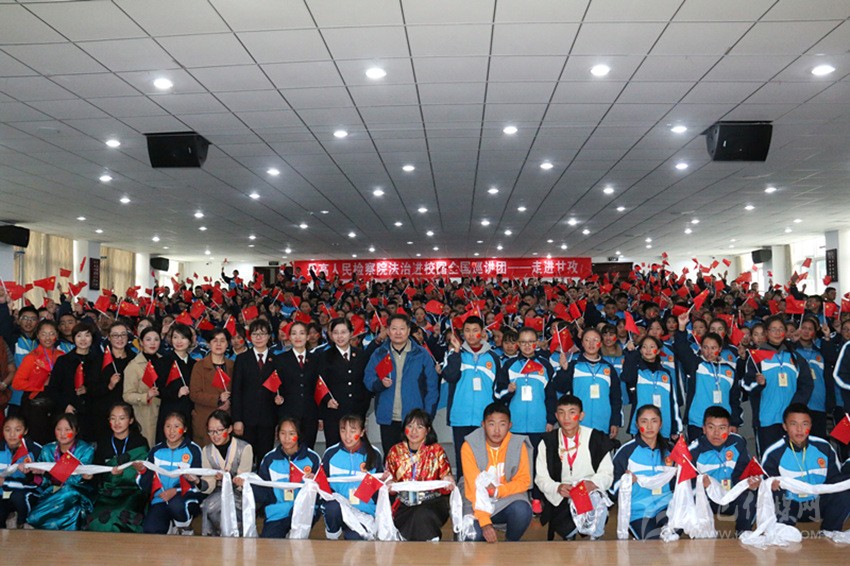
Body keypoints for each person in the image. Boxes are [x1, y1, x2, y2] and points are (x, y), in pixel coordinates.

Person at [494, 325, 559, 514]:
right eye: (523, 342)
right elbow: (497, 394)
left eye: (531, 342)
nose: (527, 345)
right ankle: (518, 497)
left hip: (539, 425)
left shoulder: (545, 366)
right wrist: (508, 390)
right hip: (515, 425)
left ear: (537, 343)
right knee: (516, 464)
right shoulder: (509, 365)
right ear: (518, 344)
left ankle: (537, 497)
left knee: (539, 463)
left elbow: (551, 397)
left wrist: (550, 420)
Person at [535, 395, 616, 540]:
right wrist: (557, 487)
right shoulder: (548, 442)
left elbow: (607, 473)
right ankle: (572, 533)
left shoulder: (596, 438)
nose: (566, 418)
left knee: (594, 504)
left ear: (581, 415)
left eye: (572, 412)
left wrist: (592, 483)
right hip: (561, 497)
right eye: (561, 413)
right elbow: (541, 478)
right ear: (556, 416)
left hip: (588, 493)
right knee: (567, 529)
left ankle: (593, 537)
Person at [762, 403, 850, 533]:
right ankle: (784, 534)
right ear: (785, 426)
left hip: (817, 503)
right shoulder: (773, 452)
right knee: (777, 498)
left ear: (810, 426)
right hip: (790, 504)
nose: (799, 429)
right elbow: (764, 485)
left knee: (844, 494)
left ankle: (829, 533)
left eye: (804, 424)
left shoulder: (824, 447)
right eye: (793, 424)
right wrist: (770, 485)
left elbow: (835, 480)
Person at [364, 315, 440, 456]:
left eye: (402, 329)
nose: (398, 333)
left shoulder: (421, 354)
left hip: (414, 421)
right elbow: (368, 379)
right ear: (388, 331)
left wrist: (427, 417)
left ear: (408, 330)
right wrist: (379, 384)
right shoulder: (380, 353)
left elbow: (432, 387)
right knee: (391, 459)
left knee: (415, 461)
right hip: (388, 418)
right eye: (394, 329)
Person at [460, 402, 533, 543]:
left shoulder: (518, 445)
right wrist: (484, 522)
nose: (497, 430)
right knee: (473, 535)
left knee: (522, 510)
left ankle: (510, 543)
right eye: (491, 424)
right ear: (483, 424)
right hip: (475, 500)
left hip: (505, 497)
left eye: (502, 424)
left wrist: (498, 491)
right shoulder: (469, 446)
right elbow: (473, 489)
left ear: (510, 425)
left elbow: (524, 481)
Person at [743, 316, 813, 456]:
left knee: (791, 458)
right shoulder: (756, 356)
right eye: (773, 329)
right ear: (766, 333)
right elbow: (746, 385)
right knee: (769, 459)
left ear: (785, 332)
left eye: (781, 329)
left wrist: (795, 407)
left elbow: (807, 385)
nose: (777, 332)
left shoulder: (795, 356)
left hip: (791, 421)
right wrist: (758, 384)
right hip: (766, 419)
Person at [443, 316, 502, 478]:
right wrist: (456, 352)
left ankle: (485, 491)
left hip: (485, 418)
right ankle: (464, 490)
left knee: (484, 460)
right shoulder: (455, 354)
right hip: (460, 417)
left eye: (475, 330)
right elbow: (449, 376)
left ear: (482, 332)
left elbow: (498, 389)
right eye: (467, 331)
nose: (470, 334)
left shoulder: (493, 357)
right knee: (463, 458)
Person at [384, 409, 454, 541]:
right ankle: (429, 540)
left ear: (427, 430)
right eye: (410, 426)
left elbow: (445, 486)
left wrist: (448, 481)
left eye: (419, 427)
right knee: (412, 515)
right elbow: (389, 482)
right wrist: (389, 484)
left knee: (421, 514)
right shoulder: (395, 451)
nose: (414, 431)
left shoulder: (436, 451)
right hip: (404, 503)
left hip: (432, 503)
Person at [688, 406, 759, 536]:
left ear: (729, 429)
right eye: (711, 427)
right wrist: (699, 484)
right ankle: (700, 538)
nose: (716, 433)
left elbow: (744, 473)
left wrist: (751, 483)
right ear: (704, 429)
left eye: (722, 428)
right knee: (692, 498)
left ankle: (743, 535)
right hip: (707, 500)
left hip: (731, 497)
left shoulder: (738, 443)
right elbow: (685, 483)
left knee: (749, 496)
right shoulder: (694, 449)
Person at [674, 311, 742, 440]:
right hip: (698, 422)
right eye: (705, 347)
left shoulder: (730, 370)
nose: (709, 351)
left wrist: (734, 422)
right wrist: (682, 327)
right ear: (701, 347)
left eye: (713, 348)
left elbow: (734, 400)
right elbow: (681, 348)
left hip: (722, 425)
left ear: (720, 349)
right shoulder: (696, 365)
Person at [610, 404, 675, 540]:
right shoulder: (626, 452)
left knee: (673, 536)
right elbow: (612, 490)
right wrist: (625, 481)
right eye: (644, 421)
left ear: (661, 424)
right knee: (653, 541)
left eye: (654, 421)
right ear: (637, 424)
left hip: (667, 508)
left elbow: (681, 483)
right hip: (638, 512)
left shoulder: (671, 450)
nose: (649, 426)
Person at [312, 318, 378, 448]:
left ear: (351, 333)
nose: (340, 336)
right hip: (333, 414)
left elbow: (365, 384)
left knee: (357, 449)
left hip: (356, 412)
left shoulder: (362, 356)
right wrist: (327, 400)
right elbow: (318, 384)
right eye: (335, 333)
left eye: (343, 332)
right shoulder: (323, 357)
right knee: (334, 449)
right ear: (331, 335)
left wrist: (363, 407)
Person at [136, 411, 203, 535]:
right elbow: (146, 486)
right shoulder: (156, 451)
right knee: (150, 530)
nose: (171, 431)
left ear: (184, 429)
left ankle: (184, 528)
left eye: (176, 426)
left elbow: (198, 481)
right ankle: (170, 526)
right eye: (168, 426)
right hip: (161, 499)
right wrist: (142, 471)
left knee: (176, 505)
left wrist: (175, 490)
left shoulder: (193, 450)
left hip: (186, 498)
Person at [26, 413, 95, 530]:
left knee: (68, 491)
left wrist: (47, 473)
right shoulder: (47, 449)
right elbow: (42, 482)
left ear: (76, 431)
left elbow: (76, 480)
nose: (62, 434)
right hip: (52, 493)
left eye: (67, 430)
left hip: (77, 491)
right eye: (59, 429)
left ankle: (34, 520)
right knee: (74, 511)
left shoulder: (85, 450)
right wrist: (31, 471)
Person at [87, 402, 150, 532]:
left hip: (132, 491)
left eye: (122, 418)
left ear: (130, 420)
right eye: (113, 418)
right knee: (96, 518)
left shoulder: (139, 442)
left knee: (117, 516)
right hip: (109, 492)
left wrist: (131, 472)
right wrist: (91, 476)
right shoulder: (104, 442)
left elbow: (146, 472)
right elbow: (98, 470)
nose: (117, 422)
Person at [255, 416, 321, 539]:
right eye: (283, 433)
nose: (286, 438)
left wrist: (315, 482)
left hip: (303, 511)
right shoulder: (270, 459)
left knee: (297, 544)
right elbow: (263, 490)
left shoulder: (312, 458)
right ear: (277, 434)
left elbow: (321, 492)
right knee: (268, 543)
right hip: (277, 512)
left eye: (291, 434)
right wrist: (247, 485)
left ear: (299, 435)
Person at [321, 413, 384, 540]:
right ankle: (333, 535)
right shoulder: (330, 454)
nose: (347, 436)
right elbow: (324, 489)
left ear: (362, 432)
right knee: (331, 507)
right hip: (340, 508)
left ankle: (356, 530)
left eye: (353, 431)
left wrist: (383, 481)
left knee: (354, 540)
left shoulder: (374, 454)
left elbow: (376, 492)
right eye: (343, 430)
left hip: (364, 512)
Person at [554, 328, 621, 438]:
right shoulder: (573, 365)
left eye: (595, 340)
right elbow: (561, 388)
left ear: (601, 343)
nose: (591, 343)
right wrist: (564, 370)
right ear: (582, 343)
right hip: (578, 424)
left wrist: (614, 422)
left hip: (603, 423)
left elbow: (616, 398)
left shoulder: (608, 368)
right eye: (587, 340)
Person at [45, 320, 102, 442]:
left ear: (92, 338)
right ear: (73, 338)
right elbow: (53, 389)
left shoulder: (99, 361)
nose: (83, 339)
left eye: (87, 335)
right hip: (68, 412)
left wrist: (88, 390)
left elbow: (102, 387)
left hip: (92, 414)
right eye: (79, 335)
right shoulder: (63, 361)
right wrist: (65, 405)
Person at [199, 410, 252, 536]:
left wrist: (228, 479)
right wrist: (196, 481)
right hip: (218, 491)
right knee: (208, 506)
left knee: (225, 507)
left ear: (229, 429)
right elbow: (209, 484)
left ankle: (236, 536)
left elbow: (243, 480)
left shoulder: (244, 448)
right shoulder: (206, 451)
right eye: (211, 431)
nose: (215, 435)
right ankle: (215, 539)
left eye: (219, 430)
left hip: (239, 492)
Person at [268, 321, 320, 449]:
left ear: (307, 337)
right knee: (288, 449)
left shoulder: (316, 359)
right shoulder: (280, 360)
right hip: (288, 413)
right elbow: (275, 385)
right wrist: (276, 396)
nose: (298, 337)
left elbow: (319, 387)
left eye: (301, 333)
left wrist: (321, 416)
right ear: (289, 337)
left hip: (310, 414)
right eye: (294, 333)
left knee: (308, 449)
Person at [11, 320, 64, 444]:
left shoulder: (61, 356)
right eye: (44, 334)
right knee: (37, 440)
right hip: (35, 405)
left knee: (56, 440)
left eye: (51, 333)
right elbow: (17, 383)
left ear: (57, 335)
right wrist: (41, 385)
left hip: (57, 403)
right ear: (38, 335)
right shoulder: (31, 357)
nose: (48, 338)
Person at [231, 319, 277, 461]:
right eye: (255, 334)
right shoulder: (242, 359)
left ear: (269, 336)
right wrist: (237, 419)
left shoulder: (277, 360)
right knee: (246, 460)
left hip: (269, 419)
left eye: (262, 334)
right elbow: (236, 391)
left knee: (265, 459)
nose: (258, 337)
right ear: (250, 337)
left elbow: (279, 389)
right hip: (247, 419)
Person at [621, 335, 682, 440]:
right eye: (644, 347)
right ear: (640, 350)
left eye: (652, 347)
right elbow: (626, 376)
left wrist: (675, 428)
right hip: (641, 426)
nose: (648, 350)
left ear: (658, 351)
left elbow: (673, 402)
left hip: (664, 426)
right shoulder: (637, 372)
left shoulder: (666, 374)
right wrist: (630, 354)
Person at [87, 322, 133, 443]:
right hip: (103, 414)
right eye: (115, 335)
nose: (120, 338)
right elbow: (91, 389)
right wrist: (109, 386)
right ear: (109, 337)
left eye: (123, 335)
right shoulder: (98, 360)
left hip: (128, 413)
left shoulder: (134, 359)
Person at [190, 329, 235, 446]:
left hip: (226, 419)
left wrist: (230, 401)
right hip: (205, 419)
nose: (218, 344)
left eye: (222, 341)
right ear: (209, 344)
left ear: (228, 344)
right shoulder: (199, 366)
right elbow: (194, 394)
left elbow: (238, 390)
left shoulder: (232, 365)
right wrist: (218, 399)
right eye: (215, 341)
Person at [154, 323, 196, 444]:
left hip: (188, 411)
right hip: (169, 409)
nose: (179, 341)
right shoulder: (162, 362)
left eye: (183, 337)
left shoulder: (194, 364)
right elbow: (158, 389)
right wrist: (176, 393)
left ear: (190, 341)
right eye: (175, 337)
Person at [123, 327, 163, 447]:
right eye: (148, 339)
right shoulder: (134, 366)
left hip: (164, 412)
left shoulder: (164, 361)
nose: (152, 343)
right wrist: (146, 396)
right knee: (149, 447)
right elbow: (127, 395)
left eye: (156, 339)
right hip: (145, 415)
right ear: (141, 342)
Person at [0, 415, 42, 528]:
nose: (12, 434)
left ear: (25, 431)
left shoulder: (35, 450)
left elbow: (39, 482)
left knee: (18, 496)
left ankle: (22, 525)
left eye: (17, 430)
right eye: (7, 430)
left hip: (28, 492)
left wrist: (5, 482)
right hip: (3, 494)